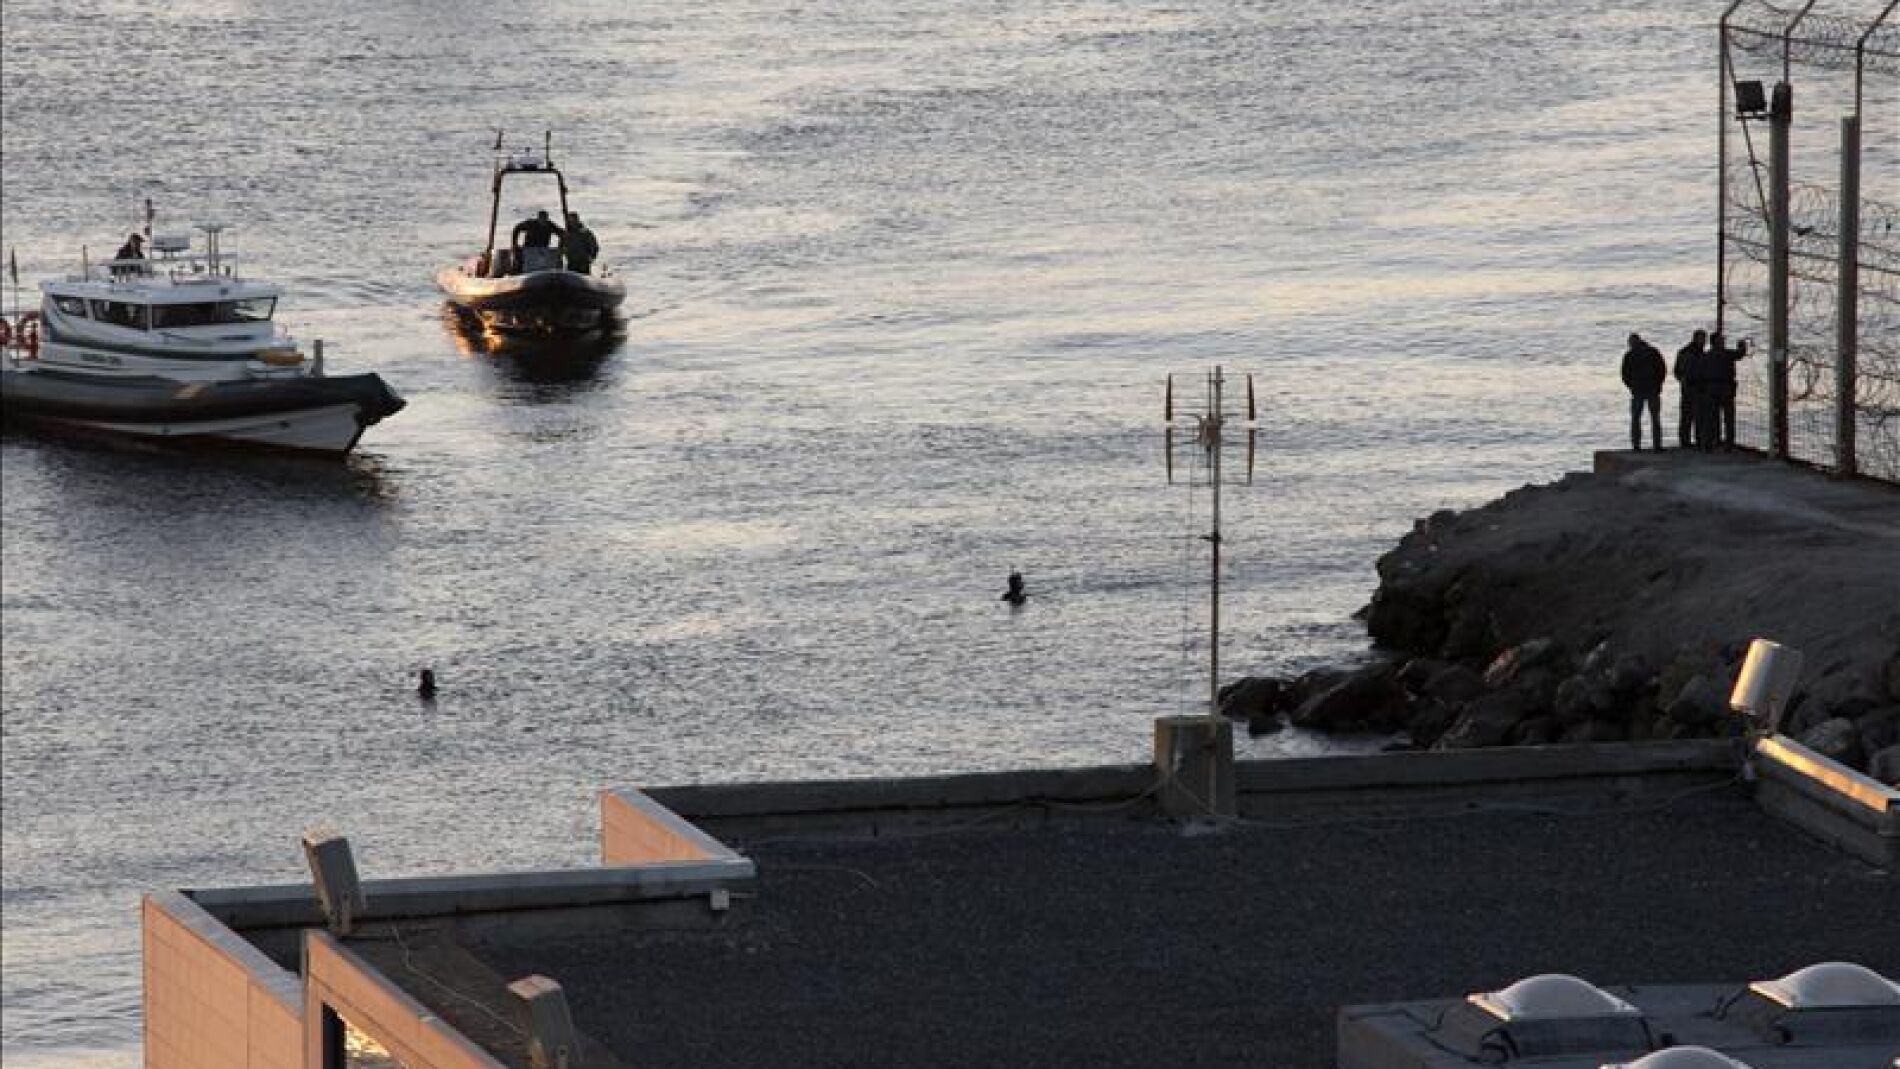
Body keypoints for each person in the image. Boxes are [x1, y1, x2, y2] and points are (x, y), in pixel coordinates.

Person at [1620, 332, 1666, 450]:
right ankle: (1657, 445)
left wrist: (1631, 386)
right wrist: (1658, 384)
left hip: (1640, 390)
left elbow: (1625, 374)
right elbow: (1662, 370)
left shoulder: (1630, 355)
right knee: (1654, 418)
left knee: (1636, 419)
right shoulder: (1653, 352)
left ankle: (1636, 445)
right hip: (1651, 389)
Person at [1708, 333, 1750, 447]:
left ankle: (1716, 440)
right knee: (1728, 417)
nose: (1723, 342)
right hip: (1725, 388)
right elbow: (1740, 354)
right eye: (1721, 340)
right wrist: (1742, 346)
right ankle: (1728, 442)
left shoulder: (1707, 355)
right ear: (1716, 342)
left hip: (1713, 389)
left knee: (1714, 417)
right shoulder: (1726, 354)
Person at [1673, 329, 1707, 448]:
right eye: (1702, 339)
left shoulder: (1684, 352)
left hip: (1688, 387)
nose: (1704, 341)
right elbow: (1678, 371)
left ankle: (1686, 441)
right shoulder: (1697, 354)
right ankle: (1697, 441)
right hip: (1695, 388)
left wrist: (1682, 380)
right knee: (1697, 416)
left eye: (1704, 339)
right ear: (1696, 338)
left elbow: (1676, 371)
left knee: (1687, 416)